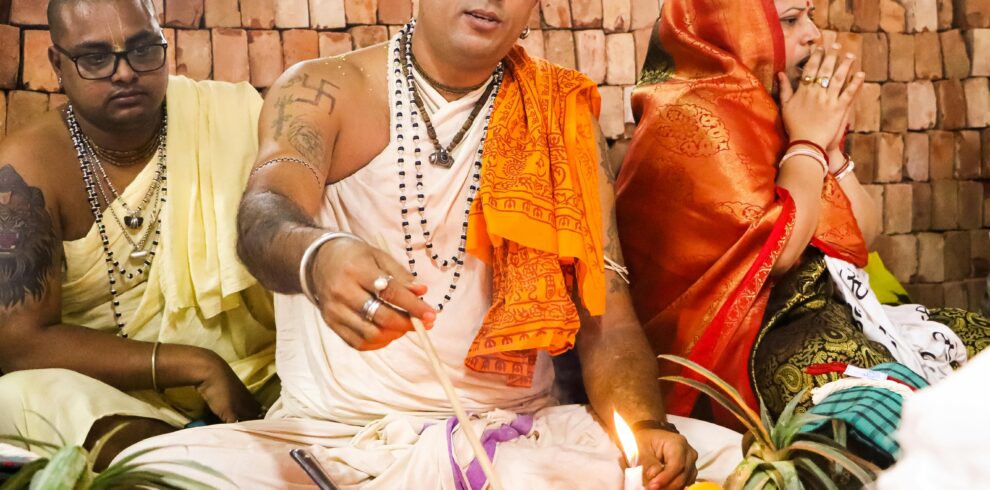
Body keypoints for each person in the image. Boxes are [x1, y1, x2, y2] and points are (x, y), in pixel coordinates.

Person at [118, 2, 744, 488]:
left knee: (741, 459)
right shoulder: (321, 89)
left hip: (518, 438)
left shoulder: (561, 116)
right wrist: (317, 256)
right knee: (159, 470)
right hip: (339, 444)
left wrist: (643, 424)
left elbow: (605, 313)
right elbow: (265, 212)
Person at [615, 0, 989, 435]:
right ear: (733, 28)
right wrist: (808, 141)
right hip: (748, 347)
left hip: (827, 315)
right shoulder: (686, 113)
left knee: (976, 342)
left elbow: (863, 238)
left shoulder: (776, 106)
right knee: (875, 408)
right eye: (790, 20)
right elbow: (780, 252)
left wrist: (828, 149)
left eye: (810, 16)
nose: (812, 33)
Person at [0, 0, 277, 467]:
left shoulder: (229, 119)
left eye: (143, 49)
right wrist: (196, 365)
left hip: (259, 382)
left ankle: (205, 458)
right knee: (17, 396)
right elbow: (20, 342)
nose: (125, 73)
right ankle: (182, 460)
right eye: (94, 58)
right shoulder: (25, 169)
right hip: (116, 399)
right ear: (57, 65)